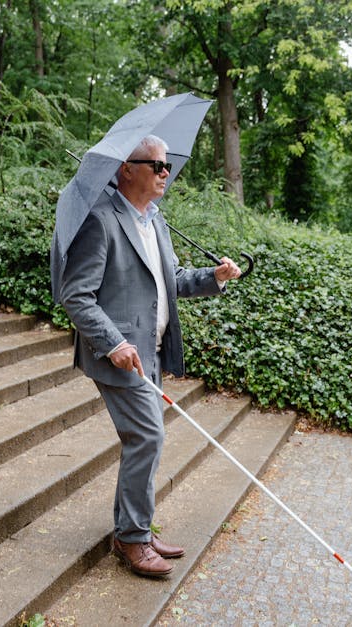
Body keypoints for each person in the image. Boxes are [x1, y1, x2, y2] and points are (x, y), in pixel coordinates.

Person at [58, 134, 241, 577]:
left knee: (145, 441)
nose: (165, 173)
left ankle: (132, 527)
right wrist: (114, 344)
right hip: (120, 354)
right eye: (157, 166)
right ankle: (132, 538)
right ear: (126, 169)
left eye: (167, 166)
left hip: (152, 350)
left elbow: (171, 279)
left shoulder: (155, 222)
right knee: (148, 437)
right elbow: (75, 295)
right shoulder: (99, 221)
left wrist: (213, 277)